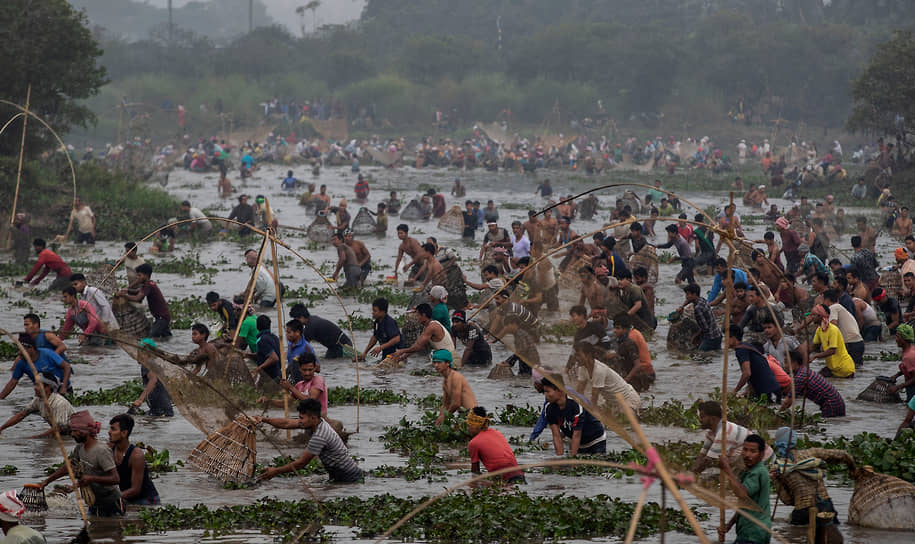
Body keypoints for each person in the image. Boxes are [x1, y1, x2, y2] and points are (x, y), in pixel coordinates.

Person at [39, 410, 123, 516]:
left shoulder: (101, 451)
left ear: (83, 432)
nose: (72, 434)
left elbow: (115, 479)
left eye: (74, 431)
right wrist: (47, 481)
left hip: (111, 503)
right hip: (94, 502)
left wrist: (91, 479)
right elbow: (69, 467)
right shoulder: (80, 447)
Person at [257, 399, 363, 483]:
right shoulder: (317, 422)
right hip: (339, 473)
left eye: (302, 418)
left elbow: (301, 463)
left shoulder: (320, 435)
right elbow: (286, 423)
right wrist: (264, 419)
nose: (300, 421)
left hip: (348, 477)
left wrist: (276, 471)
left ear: (312, 418)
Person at [770, 427, 852, 533]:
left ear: (778, 444)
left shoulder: (779, 468)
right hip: (825, 506)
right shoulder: (811, 453)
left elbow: (787, 500)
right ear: (795, 441)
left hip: (803, 511)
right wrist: (852, 469)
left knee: (793, 534)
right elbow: (843, 455)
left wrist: (777, 480)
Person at [692, 401, 773, 475]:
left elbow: (708, 460)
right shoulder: (711, 433)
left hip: (765, 461)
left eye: (702, 417)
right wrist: (693, 470)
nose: (700, 420)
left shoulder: (724, 432)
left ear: (713, 419)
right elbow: (702, 455)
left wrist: (692, 474)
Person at [718, 435, 772, 544]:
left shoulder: (758, 472)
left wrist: (727, 469)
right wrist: (729, 525)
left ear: (761, 454)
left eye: (753, 451)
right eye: (745, 450)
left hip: (754, 533)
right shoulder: (747, 472)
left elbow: (741, 494)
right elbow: (744, 505)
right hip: (749, 532)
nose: (747, 455)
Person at [542, 378, 606, 455]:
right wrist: (559, 459)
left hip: (596, 440)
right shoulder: (549, 408)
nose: (545, 395)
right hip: (578, 443)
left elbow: (577, 435)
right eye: (544, 392)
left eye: (548, 391)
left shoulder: (575, 404)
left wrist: (572, 459)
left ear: (560, 390)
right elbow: (556, 436)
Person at [0, 373, 74, 438]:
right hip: (60, 433)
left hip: (72, 435)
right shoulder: (38, 400)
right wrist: (1, 428)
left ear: (47, 387)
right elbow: (21, 415)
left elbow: (58, 428)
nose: (34, 388)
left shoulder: (59, 402)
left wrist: (34, 438)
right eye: (35, 384)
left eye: (38, 385)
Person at [108, 414, 160, 505]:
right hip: (126, 496)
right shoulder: (109, 449)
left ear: (124, 433)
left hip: (146, 499)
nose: (109, 432)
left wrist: (112, 498)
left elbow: (135, 489)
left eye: (113, 429)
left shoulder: (136, 455)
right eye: (110, 428)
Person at [466, 406, 525, 484]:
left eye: (469, 425)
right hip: (519, 474)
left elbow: (475, 473)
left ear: (475, 425)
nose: (468, 428)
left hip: (506, 479)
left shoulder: (473, 443)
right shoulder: (497, 433)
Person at [0, 336, 71, 400]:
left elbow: (67, 367)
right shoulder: (21, 363)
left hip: (62, 390)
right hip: (42, 394)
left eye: (22, 350)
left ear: (31, 348)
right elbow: (12, 383)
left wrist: (64, 387)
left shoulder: (47, 353)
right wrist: (1, 398)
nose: (19, 353)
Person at [780, 350, 846, 417]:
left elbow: (787, 403)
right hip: (836, 403)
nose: (784, 366)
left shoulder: (800, 377)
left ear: (794, 363)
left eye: (786, 362)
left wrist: (777, 415)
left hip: (831, 405)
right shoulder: (804, 371)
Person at [728, 325, 781, 403]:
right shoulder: (747, 346)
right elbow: (756, 371)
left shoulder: (741, 350)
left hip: (766, 391)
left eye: (726, 338)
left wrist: (735, 391)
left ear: (733, 338)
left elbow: (747, 374)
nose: (724, 341)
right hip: (775, 388)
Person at [116, 263, 171, 337]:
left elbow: (137, 298)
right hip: (162, 317)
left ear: (146, 275)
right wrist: (126, 290)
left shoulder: (148, 285)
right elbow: (137, 291)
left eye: (139, 275)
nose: (138, 278)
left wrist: (124, 295)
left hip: (162, 318)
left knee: (151, 337)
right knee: (166, 338)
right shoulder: (149, 284)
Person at [391, 304, 457, 365]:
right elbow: (417, 345)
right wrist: (402, 358)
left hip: (451, 360)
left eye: (417, 315)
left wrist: (401, 351)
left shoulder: (432, 327)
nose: (416, 318)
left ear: (424, 315)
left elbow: (418, 347)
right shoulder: (428, 326)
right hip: (445, 358)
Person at [430, 349, 477, 426]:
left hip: (471, 414)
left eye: (439, 362)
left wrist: (444, 417)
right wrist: (439, 419)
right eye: (434, 362)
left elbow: (456, 403)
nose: (436, 365)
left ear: (448, 363)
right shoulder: (445, 381)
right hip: (461, 414)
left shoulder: (455, 377)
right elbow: (445, 404)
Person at [609, 314, 655, 392]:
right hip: (633, 375)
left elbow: (637, 365)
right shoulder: (623, 339)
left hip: (639, 377)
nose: (614, 330)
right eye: (614, 327)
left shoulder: (630, 340)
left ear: (625, 329)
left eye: (617, 328)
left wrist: (625, 380)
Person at [129, 339, 174, 417]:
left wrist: (140, 399)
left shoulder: (147, 364)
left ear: (147, 353)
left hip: (161, 411)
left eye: (140, 352)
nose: (138, 355)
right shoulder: (154, 363)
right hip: (163, 409)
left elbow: (153, 381)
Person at [809, 305, 856, 378]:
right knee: (816, 379)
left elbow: (832, 351)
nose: (811, 317)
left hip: (844, 369)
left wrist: (815, 356)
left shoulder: (832, 330)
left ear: (820, 316)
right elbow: (813, 346)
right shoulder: (819, 330)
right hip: (832, 368)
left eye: (814, 315)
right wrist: (802, 356)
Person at [680, 284, 722, 351]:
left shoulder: (698, 309)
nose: (686, 297)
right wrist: (682, 306)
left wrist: (695, 337)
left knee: (699, 357)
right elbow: (689, 300)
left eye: (688, 294)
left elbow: (705, 328)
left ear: (694, 294)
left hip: (710, 337)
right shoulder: (701, 299)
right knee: (715, 355)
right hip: (717, 334)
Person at [284, 319, 318, 384]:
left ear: (297, 332)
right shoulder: (290, 344)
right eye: (286, 332)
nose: (286, 335)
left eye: (289, 332)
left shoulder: (306, 347)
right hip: (292, 379)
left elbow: (317, 368)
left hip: (303, 381)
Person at [250, 316, 282, 381]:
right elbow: (264, 354)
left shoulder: (262, 340)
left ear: (257, 326)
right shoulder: (274, 337)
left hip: (270, 377)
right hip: (277, 374)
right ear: (269, 325)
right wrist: (248, 355)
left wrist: (258, 368)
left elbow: (274, 358)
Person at [889, 324, 915, 402]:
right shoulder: (910, 349)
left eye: (898, 336)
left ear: (905, 338)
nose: (896, 339)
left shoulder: (909, 356)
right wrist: (897, 375)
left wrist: (898, 387)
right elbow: (909, 368)